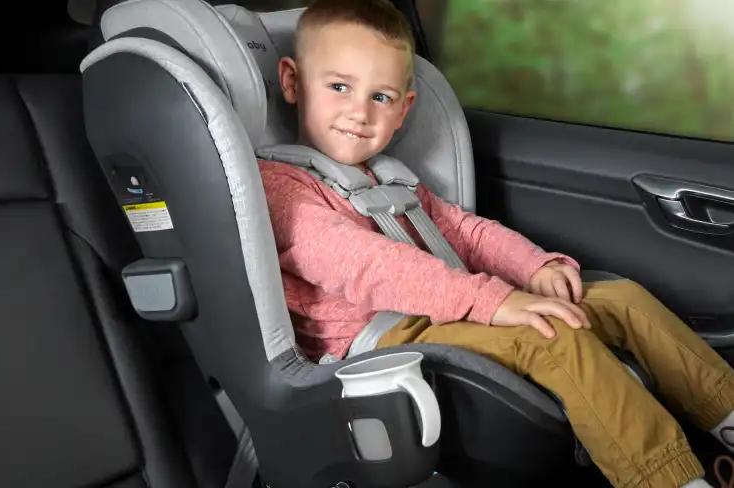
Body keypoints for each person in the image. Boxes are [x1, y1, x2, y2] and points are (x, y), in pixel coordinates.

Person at [255, 0, 734, 487]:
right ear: (292, 82)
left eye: (380, 97)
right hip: (379, 339)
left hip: (446, 307)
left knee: (623, 299)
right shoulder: (281, 187)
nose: (358, 112)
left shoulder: (390, 178)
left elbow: (466, 231)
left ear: (403, 110)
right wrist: (493, 299)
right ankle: (667, 479)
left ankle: (726, 416)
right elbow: (368, 265)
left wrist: (533, 268)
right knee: (551, 336)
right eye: (339, 87)